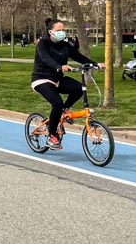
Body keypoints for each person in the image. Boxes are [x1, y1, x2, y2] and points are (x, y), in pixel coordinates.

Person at [31, 18, 101, 150]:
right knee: (56, 103)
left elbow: (78, 57)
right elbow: (46, 59)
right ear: (50, 31)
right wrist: (59, 66)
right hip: (41, 79)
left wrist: (95, 64)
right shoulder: (43, 44)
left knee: (79, 88)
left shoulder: (65, 45)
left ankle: (64, 109)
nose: (62, 32)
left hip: (57, 79)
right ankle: (51, 136)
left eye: (63, 30)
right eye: (59, 30)